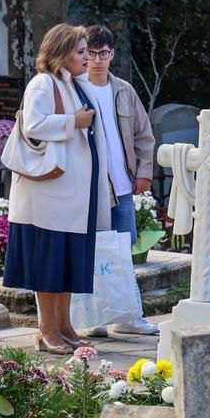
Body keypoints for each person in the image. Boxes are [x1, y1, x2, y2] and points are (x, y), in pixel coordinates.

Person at [3, 24, 111, 354]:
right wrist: (72, 123)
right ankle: (46, 329)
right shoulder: (43, 83)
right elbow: (32, 124)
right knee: (49, 266)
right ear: (62, 53)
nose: (87, 57)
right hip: (48, 196)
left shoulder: (75, 84)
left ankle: (64, 325)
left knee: (67, 263)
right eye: (80, 51)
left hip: (73, 196)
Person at [79, 25, 159, 338]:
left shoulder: (124, 90)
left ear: (112, 54)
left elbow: (143, 134)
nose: (97, 60)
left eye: (103, 53)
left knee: (124, 255)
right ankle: (94, 317)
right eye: (91, 53)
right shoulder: (74, 88)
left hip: (122, 185)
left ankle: (129, 316)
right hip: (89, 188)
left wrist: (143, 171)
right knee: (94, 254)